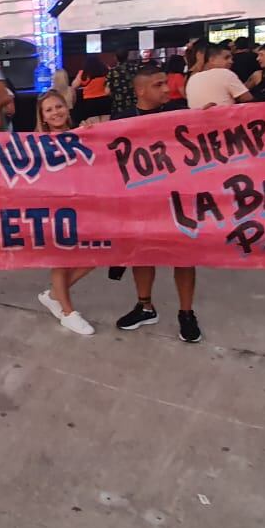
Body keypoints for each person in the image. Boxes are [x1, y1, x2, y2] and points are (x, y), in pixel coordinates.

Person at [113, 70, 204, 343]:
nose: (167, 89)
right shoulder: (122, 119)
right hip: (141, 202)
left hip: (178, 199)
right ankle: (144, 306)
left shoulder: (180, 112)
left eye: (166, 83)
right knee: (142, 254)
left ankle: (186, 313)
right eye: (159, 84)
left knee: (184, 256)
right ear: (140, 91)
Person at [33, 89, 95, 335]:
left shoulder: (84, 133)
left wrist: (91, 134)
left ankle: (53, 295)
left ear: (67, 108)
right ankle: (68, 313)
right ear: (43, 118)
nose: (55, 112)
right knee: (61, 260)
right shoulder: (36, 143)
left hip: (85, 205)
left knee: (97, 255)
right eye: (49, 110)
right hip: (54, 208)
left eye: (58, 106)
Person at [185, 43, 253, 109]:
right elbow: (248, 99)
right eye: (226, 58)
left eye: (231, 58)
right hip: (225, 118)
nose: (231, 61)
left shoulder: (192, 78)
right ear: (212, 60)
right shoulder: (224, 73)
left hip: (198, 119)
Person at [71, 56, 110, 124]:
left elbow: (74, 85)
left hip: (89, 102)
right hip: (104, 100)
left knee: (93, 124)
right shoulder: (105, 70)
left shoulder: (83, 73)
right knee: (106, 123)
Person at [106, 49, 141, 120]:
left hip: (119, 107)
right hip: (135, 106)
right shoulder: (136, 68)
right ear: (127, 55)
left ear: (115, 57)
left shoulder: (112, 71)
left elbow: (107, 92)